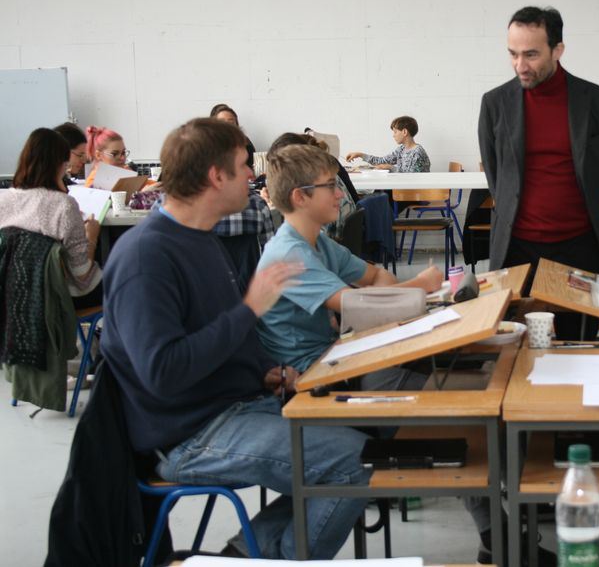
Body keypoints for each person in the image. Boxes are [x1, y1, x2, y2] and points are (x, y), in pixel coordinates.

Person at [100, 118, 369, 560]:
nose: (252, 175)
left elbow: (218, 335)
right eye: (245, 165)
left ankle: (242, 557)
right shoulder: (146, 257)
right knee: (352, 461)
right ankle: (263, 560)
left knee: (360, 436)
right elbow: (163, 372)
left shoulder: (202, 240)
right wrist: (249, 309)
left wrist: (262, 370)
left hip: (235, 405)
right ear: (216, 176)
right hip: (190, 432)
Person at [477, 6, 599, 338]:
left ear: (558, 50)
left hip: (579, 247)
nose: (520, 65)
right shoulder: (495, 103)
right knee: (517, 348)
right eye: (513, 54)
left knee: (577, 343)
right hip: (517, 249)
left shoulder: (596, 100)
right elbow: (497, 177)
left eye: (531, 54)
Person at [256, 143, 443, 373]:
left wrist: (389, 301)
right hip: (310, 371)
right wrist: (421, 284)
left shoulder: (319, 241)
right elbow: (356, 305)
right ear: (300, 197)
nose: (340, 193)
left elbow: (376, 275)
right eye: (330, 186)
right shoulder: (289, 255)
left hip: (333, 353)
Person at [0, 128, 102, 308]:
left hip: (9, 299)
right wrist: (91, 236)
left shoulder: (3, 199)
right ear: (61, 164)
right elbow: (82, 277)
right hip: (56, 300)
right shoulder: (64, 205)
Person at [346, 116, 430, 173]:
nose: (393, 135)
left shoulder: (417, 152)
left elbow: (411, 177)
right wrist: (360, 155)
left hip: (414, 192)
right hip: (402, 189)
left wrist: (390, 168)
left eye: (395, 132)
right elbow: (382, 161)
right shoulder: (401, 149)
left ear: (404, 132)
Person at [211, 103, 258, 172]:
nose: (227, 125)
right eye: (221, 122)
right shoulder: (207, 145)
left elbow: (253, 167)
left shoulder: (245, 143)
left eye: (231, 122)